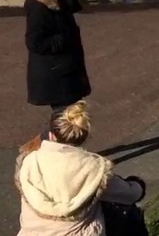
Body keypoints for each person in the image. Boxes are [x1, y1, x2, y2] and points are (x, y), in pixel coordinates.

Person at [15, 101, 147, 236]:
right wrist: (137, 185)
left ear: (51, 135)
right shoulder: (93, 168)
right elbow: (129, 194)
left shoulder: (31, 162)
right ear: (83, 138)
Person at [25, 0, 90, 111]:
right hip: (55, 73)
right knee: (66, 121)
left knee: (72, 118)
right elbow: (34, 42)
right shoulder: (39, 5)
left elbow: (73, 5)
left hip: (66, 68)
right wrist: (65, 39)